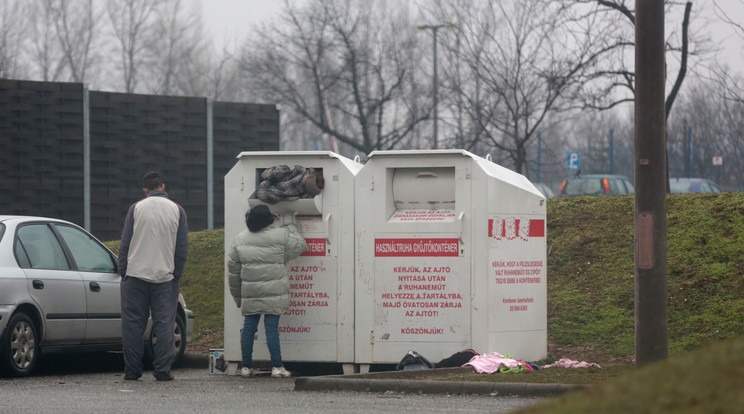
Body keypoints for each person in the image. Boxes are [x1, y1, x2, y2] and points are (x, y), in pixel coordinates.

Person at [118, 171, 189, 381]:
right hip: (165, 277)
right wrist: (177, 273)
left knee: (132, 324)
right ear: (163, 186)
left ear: (145, 189)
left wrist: (123, 271)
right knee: (164, 324)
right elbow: (182, 246)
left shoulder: (136, 209)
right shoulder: (178, 210)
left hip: (135, 274)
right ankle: (162, 371)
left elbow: (125, 242)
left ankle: (132, 371)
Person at [227, 205, 307, 378]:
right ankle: (277, 368)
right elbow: (300, 245)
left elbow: (233, 273)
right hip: (274, 291)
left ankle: (246, 367)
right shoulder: (281, 235)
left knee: (248, 329)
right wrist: (290, 225)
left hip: (251, 291)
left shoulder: (240, 239)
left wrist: (238, 298)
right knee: (272, 329)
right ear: (269, 219)